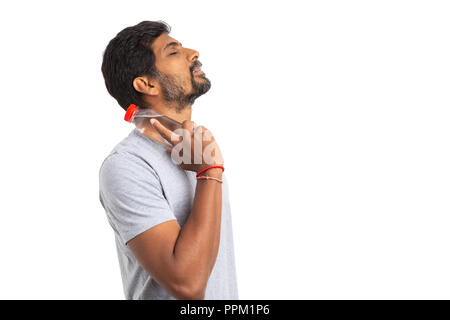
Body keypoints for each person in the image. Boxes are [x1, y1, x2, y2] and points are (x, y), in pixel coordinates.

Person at [99, 20, 239, 300]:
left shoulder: (197, 151)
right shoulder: (127, 165)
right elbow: (188, 285)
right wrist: (210, 171)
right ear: (146, 84)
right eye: (173, 52)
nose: (193, 53)